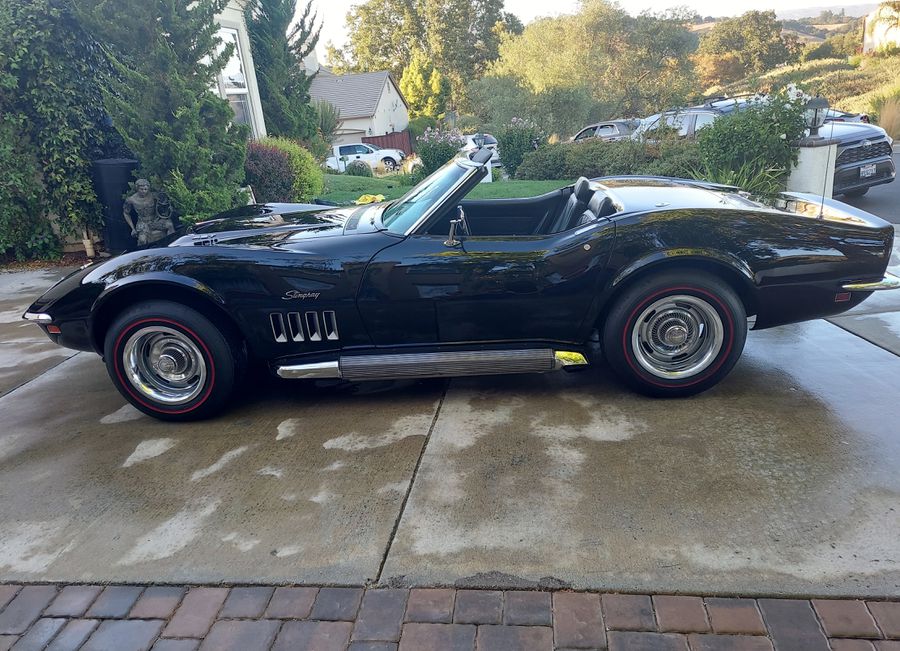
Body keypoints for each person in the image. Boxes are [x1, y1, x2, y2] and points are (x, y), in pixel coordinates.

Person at [123, 179, 175, 246]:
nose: (144, 191)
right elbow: (126, 213)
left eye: (145, 189)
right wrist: (132, 228)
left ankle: (171, 245)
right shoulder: (131, 200)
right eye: (141, 189)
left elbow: (164, 202)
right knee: (142, 240)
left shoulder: (153, 195)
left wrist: (168, 207)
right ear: (137, 188)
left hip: (155, 221)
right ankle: (142, 254)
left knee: (169, 224)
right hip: (143, 223)